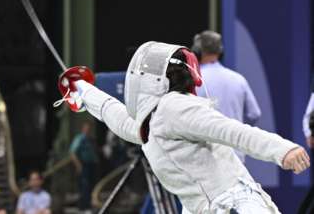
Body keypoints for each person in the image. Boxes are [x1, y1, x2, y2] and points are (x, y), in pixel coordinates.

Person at [59, 41, 309, 213]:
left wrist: (282, 150)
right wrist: (81, 88)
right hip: (203, 206)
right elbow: (111, 111)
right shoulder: (147, 123)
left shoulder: (176, 107)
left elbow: (233, 131)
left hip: (235, 203)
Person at [192, 30, 261, 162]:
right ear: (220, 51)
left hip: (205, 155)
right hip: (236, 154)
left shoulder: (195, 80)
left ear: (197, 51)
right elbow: (254, 114)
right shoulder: (238, 79)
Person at [69, 122, 98, 213]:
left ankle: (88, 206)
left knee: (91, 185)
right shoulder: (79, 138)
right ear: (83, 129)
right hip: (84, 165)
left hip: (91, 165)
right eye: (86, 129)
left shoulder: (90, 139)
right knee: (84, 186)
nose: (88, 130)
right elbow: (72, 153)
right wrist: (79, 165)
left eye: (89, 129)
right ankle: (83, 207)